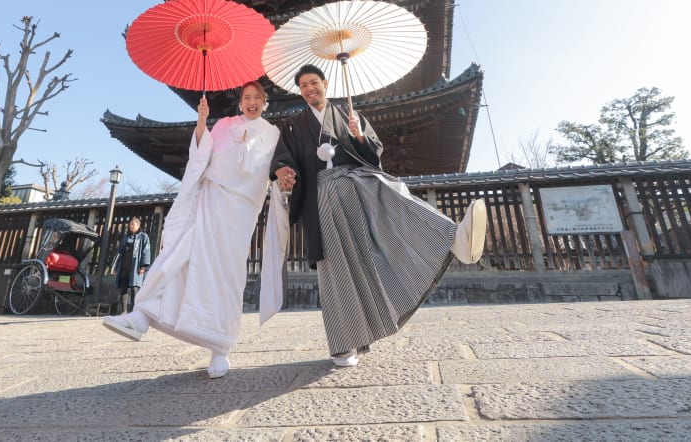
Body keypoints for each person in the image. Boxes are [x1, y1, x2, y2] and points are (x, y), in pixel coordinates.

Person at [270, 64, 486, 367]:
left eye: (314, 83)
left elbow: (374, 153)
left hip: (356, 184)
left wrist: (358, 136)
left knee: (392, 191)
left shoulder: (348, 116)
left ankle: (453, 238)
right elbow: (283, 159)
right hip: (322, 199)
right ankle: (345, 344)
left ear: (326, 84)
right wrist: (283, 171)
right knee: (337, 269)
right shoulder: (293, 126)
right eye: (303, 85)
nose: (309, 89)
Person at [102, 81, 281, 379]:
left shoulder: (272, 134)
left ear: (265, 102)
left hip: (239, 211)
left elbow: (272, 169)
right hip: (211, 200)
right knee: (180, 252)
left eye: (257, 98)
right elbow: (201, 156)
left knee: (227, 275)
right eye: (246, 97)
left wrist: (250, 150)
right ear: (239, 102)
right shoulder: (223, 125)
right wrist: (201, 122)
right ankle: (142, 315)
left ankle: (220, 347)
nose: (251, 102)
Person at [111, 217, 152, 314]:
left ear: (138, 225)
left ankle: (134, 310)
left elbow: (146, 251)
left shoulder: (143, 236)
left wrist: (143, 266)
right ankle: (124, 310)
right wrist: (115, 267)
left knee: (134, 288)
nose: (131, 226)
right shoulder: (126, 237)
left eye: (133, 224)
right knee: (123, 288)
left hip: (135, 267)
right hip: (124, 266)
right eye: (130, 224)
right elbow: (119, 252)